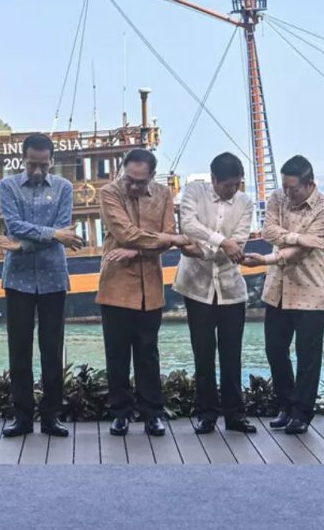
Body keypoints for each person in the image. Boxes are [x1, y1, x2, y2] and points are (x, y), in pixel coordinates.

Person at [0, 133, 82, 439]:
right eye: (32, 164)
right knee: (19, 350)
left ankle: (52, 417)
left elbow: (59, 228)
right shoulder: (8, 186)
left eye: (43, 165)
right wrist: (53, 236)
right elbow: (14, 226)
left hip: (54, 279)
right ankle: (22, 418)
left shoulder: (65, 188)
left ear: (51, 160)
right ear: (22, 159)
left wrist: (21, 246)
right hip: (18, 281)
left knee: (52, 350)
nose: (37, 171)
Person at [95, 148, 193, 437]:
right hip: (115, 285)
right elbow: (126, 232)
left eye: (140, 181)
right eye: (130, 179)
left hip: (150, 286)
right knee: (117, 354)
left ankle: (153, 414)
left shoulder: (163, 194)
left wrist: (138, 249)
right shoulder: (109, 193)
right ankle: (120, 413)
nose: (134, 186)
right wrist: (168, 239)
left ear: (151, 175)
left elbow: (164, 240)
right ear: (122, 171)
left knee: (149, 353)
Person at [243, 155, 324, 435]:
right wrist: (298, 236)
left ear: (310, 184)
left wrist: (268, 259)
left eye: (293, 188)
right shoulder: (277, 199)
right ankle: (285, 405)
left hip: (311, 289)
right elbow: (268, 230)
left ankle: (302, 413)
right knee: (275, 350)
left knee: (308, 357)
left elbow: (299, 253)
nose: (288, 192)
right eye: (284, 186)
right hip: (278, 291)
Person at [173, 152, 257, 435]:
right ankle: (206, 413)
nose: (233, 190)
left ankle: (235, 414)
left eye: (237, 184)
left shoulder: (246, 202)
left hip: (232, 290)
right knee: (203, 353)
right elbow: (189, 226)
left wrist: (201, 249)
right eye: (227, 185)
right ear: (213, 180)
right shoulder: (194, 192)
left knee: (232, 354)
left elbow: (240, 243)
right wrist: (223, 242)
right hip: (196, 287)